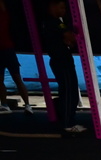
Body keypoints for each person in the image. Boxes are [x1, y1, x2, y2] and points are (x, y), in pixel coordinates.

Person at [40, 0, 86, 134]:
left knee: (69, 90)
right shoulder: (54, 22)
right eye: (61, 7)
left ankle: (68, 120)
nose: (64, 10)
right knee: (68, 92)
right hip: (61, 61)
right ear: (53, 6)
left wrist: (68, 39)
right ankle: (68, 123)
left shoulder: (50, 23)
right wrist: (73, 35)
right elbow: (70, 37)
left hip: (60, 60)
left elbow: (69, 40)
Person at [0, 0, 33, 114]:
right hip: (3, 51)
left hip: (8, 50)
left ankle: (28, 105)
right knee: (1, 81)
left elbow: (2, 6)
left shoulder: (4, 15)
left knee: (17, 78)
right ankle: (4, 105)